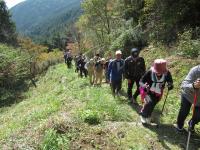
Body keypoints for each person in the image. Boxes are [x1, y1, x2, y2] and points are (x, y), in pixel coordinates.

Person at [139, 59, 174, 124]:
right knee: (149, 102)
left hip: (158, 93)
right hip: (147, 91)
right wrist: (144, 85)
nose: (159, 73)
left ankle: (148, 115)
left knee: (153, 104)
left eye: (161, 72)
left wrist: (170, 86)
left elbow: (170, 82)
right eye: (157, 71)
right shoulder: (150, 72)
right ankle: (143, 115)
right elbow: (141, 81)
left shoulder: (167, 73)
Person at [174, 65, 200, 132]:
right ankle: (179, 125)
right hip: (188, 94)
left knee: (197, 116)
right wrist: (193, 85)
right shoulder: (195, 70)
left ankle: (191, 124)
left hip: (199, 100)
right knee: (184, 111)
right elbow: (184, 85)